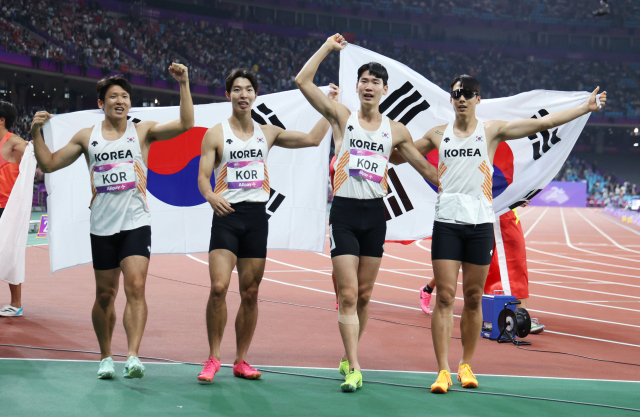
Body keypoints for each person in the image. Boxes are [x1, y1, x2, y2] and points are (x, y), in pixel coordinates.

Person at [392, 74, 605, 393]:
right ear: (451, 99)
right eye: (456, 93)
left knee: (474, 298)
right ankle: (443, 370)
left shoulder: (490, 131)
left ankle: (466, 364)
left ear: (478, 99)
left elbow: (539, 126)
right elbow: (398, 154)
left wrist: (583, 108)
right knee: (446, 297)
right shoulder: (437, 134)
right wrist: (383, 142)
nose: (461, 98)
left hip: (479, 224)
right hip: (447, 224)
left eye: (468, 93)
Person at [30, 64, 194, 380]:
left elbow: (187, 124)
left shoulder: (142, 131)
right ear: (100, 104)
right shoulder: (85, 137)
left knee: (136, 286)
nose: (120, 100)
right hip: (102, 226)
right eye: (113, 96)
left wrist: (184, 83)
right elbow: (49, 164)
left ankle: (133, 355)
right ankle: (106, 357)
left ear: (129, 103)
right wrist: (36, 133)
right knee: (105, 295)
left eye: (124, 96)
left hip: (135, 221)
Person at [295, 34, 438, 392]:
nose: (369, 85)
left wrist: (468, 183)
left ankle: (349, 353)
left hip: (375, 216)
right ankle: (355, 366)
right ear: (356, 87)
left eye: (376, 81)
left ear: (385, 89)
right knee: (346, 293)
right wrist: (328, 47)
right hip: (343, 212)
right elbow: (302, 81)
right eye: (364, 80)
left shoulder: (396, 131)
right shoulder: (342, 117)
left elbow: (426, 170)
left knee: (364, 294)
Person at [196, 68, 334, 384]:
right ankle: (213, 357)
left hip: (257, 219)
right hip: (227, 217)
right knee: (218, 287)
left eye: (248, 89)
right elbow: (204, 177)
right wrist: (209, 197)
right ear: (228, 94)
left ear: (255, 95)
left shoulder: (267, 133)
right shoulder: (215, 134)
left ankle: (241, 360)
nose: (243, 94)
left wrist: (329, 105)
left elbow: (313, 139)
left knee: (251, 291)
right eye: (237, 89)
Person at [484, 204, 545, 334]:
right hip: (498, 211)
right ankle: (517, 317)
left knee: (509, 264)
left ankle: (518, 316)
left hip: (505, 210)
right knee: (510, 264)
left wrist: (519, 195)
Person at [0, 101, 27, 317]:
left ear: (2, 120)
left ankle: (15, 303)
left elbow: (38, 156)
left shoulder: (14, 143)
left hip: (6, 208)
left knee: (10, 254)